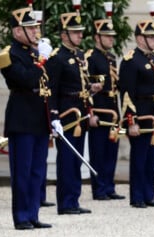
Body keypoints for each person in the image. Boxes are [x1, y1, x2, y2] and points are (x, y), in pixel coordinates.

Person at [0, 7, 53, 230]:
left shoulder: (33, 52)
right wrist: (42, 60)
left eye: (36, 28)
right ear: (18, 31)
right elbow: (24, 80)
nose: (36, 32)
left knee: (38, 170)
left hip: (40, 117)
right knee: (22, 170)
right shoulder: (8, 54)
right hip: (21, 118)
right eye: (31, 28)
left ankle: (33, 214)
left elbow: (48, 85)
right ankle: (21, 216)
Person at [46, 11, 99, 215]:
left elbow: (83, 86)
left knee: (77, 160)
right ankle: (65, 202)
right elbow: (51, 90)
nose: (79, 36)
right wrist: (54, 116)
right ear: (64, 35)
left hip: (81, 114)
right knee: (67, 160)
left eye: (80, 32)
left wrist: (90, 98)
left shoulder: (78, 56)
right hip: (67, 115)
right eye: (74, 32)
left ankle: (74, 199)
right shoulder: (57, 58)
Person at [118, 19, 154, 209]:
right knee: (139, 158)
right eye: (150, 37)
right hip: (141, 114)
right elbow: (127, 93)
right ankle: (137, 196)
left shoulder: (153, 59)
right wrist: (131, 121)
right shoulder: (131, 60)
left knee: (152, 157)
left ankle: (148, 194)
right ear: (139, 38)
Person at [86, 19, 125, 201]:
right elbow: (87, 87)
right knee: (99, 152)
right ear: (97, 37)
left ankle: (109, 186)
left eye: (112, 36)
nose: (111, 40)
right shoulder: (91, 57)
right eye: (107, 36)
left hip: (112, 109)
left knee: (112, 150)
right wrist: (91, 112)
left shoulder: (110, 57)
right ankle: (99, 188)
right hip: (100, 110)